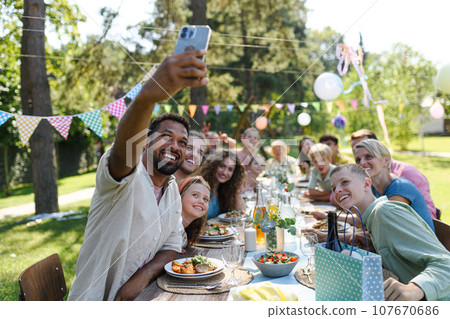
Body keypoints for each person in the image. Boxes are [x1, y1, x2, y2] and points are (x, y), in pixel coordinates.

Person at [69, 49, 209, 301]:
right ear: (145, 141)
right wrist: (147, 98)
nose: (175, 146)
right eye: (166, 136)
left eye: (182, 142)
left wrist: (141, 278)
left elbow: (172, 247)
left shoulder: (171, 193)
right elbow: (124, 152)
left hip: (144, 296)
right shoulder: (124, 177)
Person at [330, 164, 450, 301]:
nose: (338, 190)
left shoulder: (385, 212)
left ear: (366, 184)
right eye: (333, 188)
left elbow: (446, 263)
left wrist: (415, 288)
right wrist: (375, 246)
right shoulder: (372, 217)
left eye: (344, 182)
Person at [350, 129, 437, 219]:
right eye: (358, 160)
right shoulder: (373, 187)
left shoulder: (400, 187)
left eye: (368, 157)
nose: (362, 163)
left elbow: (380, 220)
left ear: (386, 160)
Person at [196, 149, 246, 219]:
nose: (225, 172)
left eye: (230, 169)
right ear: (214, 165)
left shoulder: (224, 189)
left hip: (214, 229)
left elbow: (242, 213)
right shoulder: (200, 185)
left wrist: (235, 188)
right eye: (222, 166)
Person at [178, 176, 210, 247]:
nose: (201, 201)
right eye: (195, 195)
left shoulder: (184, 234)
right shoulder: (169, 226)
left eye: (205, 199)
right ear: (180, 196)